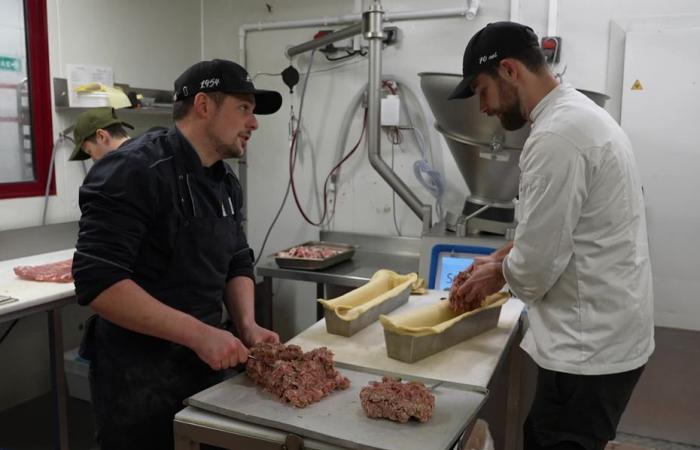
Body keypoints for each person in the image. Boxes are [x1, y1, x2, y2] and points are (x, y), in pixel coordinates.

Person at [448, 22, 654, 450]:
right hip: (604, 338)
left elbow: (537, 266)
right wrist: (494, 261)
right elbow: (551, 229)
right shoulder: (578, 116)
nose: (483, 107)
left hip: (587, 351)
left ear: (508, 70)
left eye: (482, 90)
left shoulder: (558, 136)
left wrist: (494, 275)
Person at [72, 59, 283, 450]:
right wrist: (201, 334)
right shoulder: (132, 170)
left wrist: (247, 324)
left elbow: (236, 258)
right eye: (243, 109)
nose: (253, 124)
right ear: (203, 105)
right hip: (137, 376)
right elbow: (98, 282)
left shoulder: (223, 181)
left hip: (202, 365)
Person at [69, 107, 133, 161]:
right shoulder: (140, 150)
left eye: (90, 151)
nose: (93, 158)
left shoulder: (122, 170)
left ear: (101, 136)